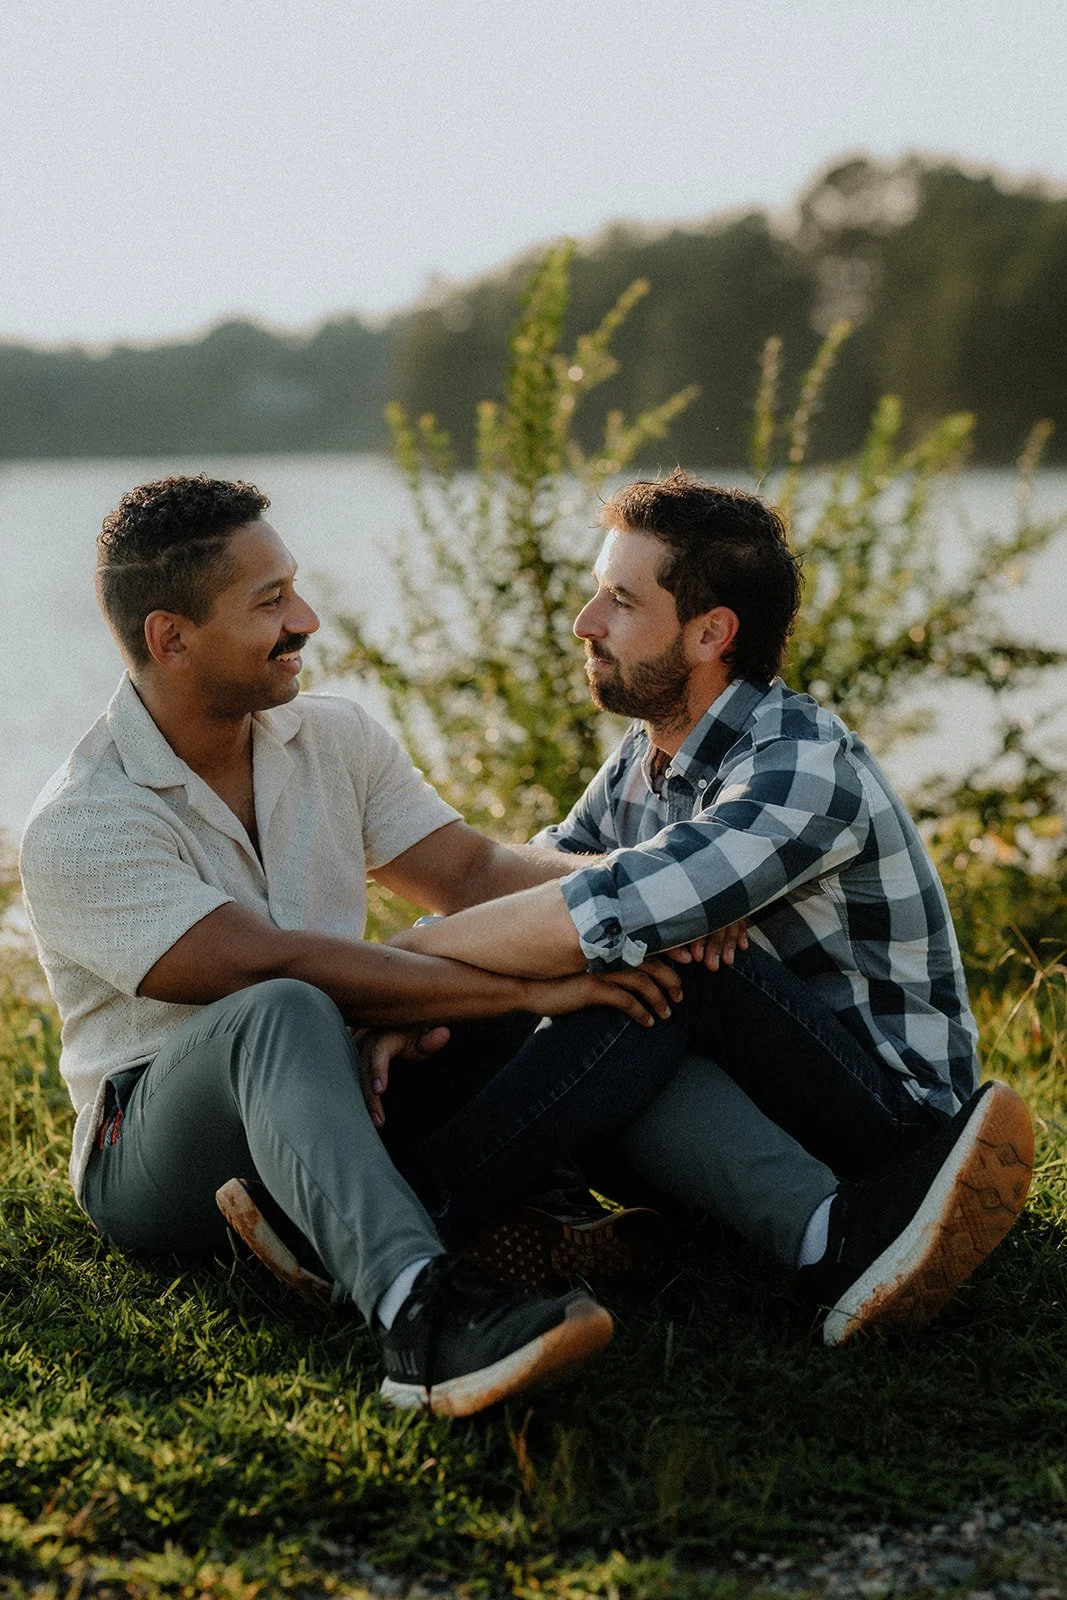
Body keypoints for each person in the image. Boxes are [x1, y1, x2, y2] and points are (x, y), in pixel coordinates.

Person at [19, 475, 729, 1418]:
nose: (304, 619)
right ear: (170, 639)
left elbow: (472, 872)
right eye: (269, 603)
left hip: (347, 1083)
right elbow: (274, 964)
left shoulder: (332, 737)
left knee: (571, 951)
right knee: (289, 1007)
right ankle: (422, 1319)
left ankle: (719, 1215)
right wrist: (519, 993)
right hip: (154, 1149)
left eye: (293, 588)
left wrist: (663, 890)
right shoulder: (84, 818)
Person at [387, 468, 1035, 1346]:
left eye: (619, 601)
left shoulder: (799, 767)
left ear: (709, 633)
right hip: (740, 1091)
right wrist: (414, 982)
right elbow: (535, 882)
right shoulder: (645, 756)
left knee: (669, 962)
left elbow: (587, 911)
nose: (585, 623)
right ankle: (492, 1207)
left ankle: (417, 1218)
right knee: (622, 962)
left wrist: (393, 974)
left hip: (891, 1127)